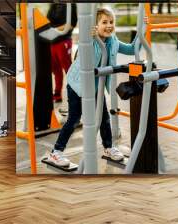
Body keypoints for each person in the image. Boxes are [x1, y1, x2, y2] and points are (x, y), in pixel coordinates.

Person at [45, 8, 140, 167]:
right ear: (95, 26)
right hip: (78, 85)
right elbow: (84, 51)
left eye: (111, 22)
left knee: (104, 118)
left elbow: (132, 49)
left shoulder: (113, 40)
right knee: (74, 119)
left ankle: (108, 147)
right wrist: (88, 36)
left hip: (96, 87)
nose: (109, 25)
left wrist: (140, 32)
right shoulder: (89, 41)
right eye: (104, 22)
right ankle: (56, 153)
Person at [47, 3, 77, 103]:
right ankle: (57, 94)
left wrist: (53, 30)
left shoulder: (71, 4)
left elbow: (72, 24)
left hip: (63, 41)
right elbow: (48, 22)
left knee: (68, 69)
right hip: (52, 42)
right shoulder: (53, 4)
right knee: (56, 70)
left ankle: (75, 94)